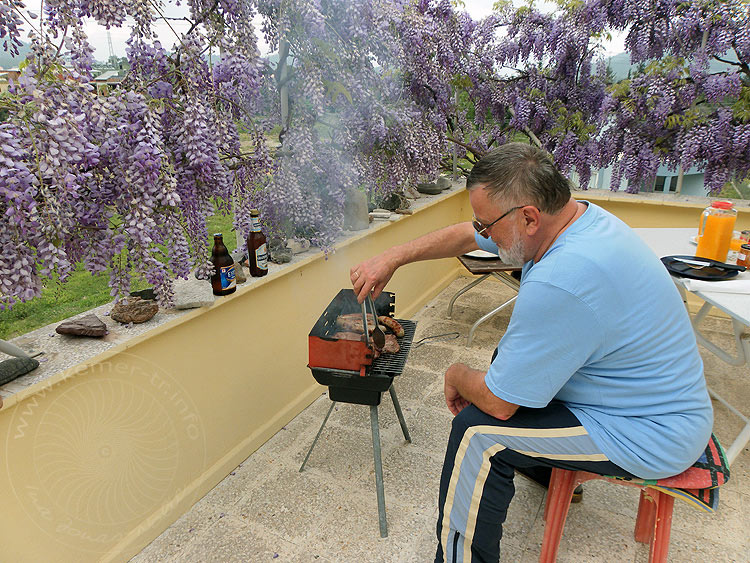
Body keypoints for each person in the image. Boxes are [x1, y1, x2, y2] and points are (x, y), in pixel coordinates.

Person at [349, 142, 713, 563]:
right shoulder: (574, 218)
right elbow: (466, 234)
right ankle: (545, 466)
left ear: (528, 217)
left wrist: (456, 373)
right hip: (641, 395)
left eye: (489, 226)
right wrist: (393, 257)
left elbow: (500, 405)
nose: (482, 234)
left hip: (652, 430)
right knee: (511, 362)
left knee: (477, 432)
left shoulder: (565, 277)